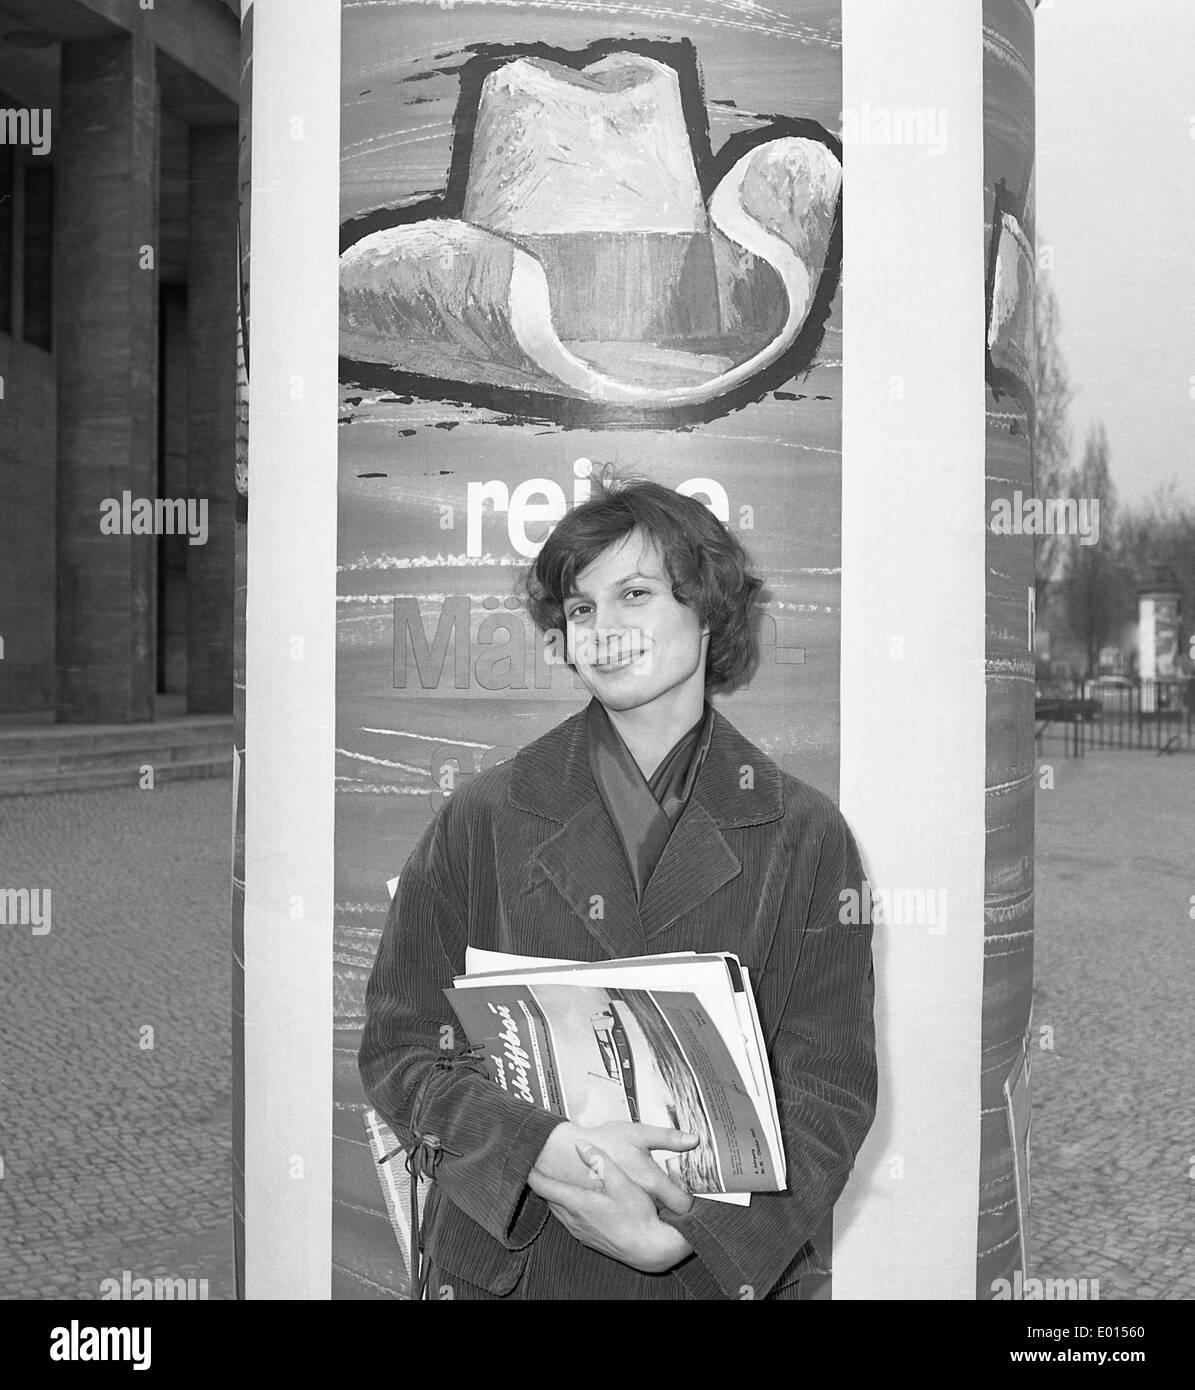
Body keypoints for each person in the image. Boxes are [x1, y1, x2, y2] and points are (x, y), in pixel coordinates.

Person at [359, 475, 877, 1300]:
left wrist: (681, 1235)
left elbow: (829, 1089)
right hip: (517, 1270)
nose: (603, 631)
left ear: (707, 608)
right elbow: (400, 1051)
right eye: (581, 609)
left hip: (712, 1277)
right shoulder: (483, 817)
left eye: (633, 594)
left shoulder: (805, 835)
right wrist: (539, 1146)